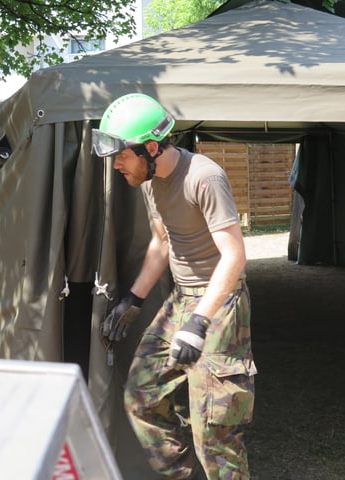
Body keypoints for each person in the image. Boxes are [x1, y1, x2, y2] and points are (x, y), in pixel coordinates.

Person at [93, 93, 257, 480]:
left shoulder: (205, 177)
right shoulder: (149, 182)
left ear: (151, 147)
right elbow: (161, 242)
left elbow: (234, 256)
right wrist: (133, 299)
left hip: (220, 303)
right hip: (180, 300)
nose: (117, 165)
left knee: (213, 429)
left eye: (123, 155)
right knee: (140, 398)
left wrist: (200, 322)